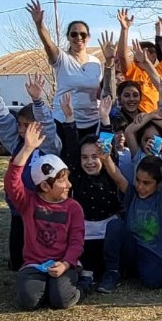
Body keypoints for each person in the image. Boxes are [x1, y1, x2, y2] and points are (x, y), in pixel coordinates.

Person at [0, 67, 61, 271]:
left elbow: (48, 124)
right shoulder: (16, 143)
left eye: (28, 125)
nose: (23, 130)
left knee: (43, 248)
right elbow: (2, 119)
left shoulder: (49, 144)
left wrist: (38, 101)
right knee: (17, 262)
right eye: (20, 126)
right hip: (19, 209)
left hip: (44, 209)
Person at [5, 122, 86, 310]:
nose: (69, 185)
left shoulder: (73, 208)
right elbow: (11, 182)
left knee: (61, 300)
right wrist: (27, 149)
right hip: (34, 265)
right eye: (62, 180)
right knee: (28, 301)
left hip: (64, 264)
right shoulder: (28, 202)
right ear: (45, 186)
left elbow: (76, 241)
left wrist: (65, 264)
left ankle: (84, 284)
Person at [97, 144, 162, 293]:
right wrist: (106, 159)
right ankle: (112, 271)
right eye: (138, 180)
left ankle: (136, 272)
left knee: (153, 283)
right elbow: (117, 177)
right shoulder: (132, 194)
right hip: (131, 247)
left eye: (146, 183)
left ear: (160, 184)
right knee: (115, 225)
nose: (140, 186)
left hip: (152, 252)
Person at [59, 94, 122, 279]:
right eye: (85, 157)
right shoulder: (77, 176)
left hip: (108, 228)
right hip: (84, 230)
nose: (90, 162)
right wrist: (69, 118)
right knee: (86, 269)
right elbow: (71, 147)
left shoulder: (109, 172)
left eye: (94, 156)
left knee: (107, 267)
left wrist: (104, 117)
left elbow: (106, 146)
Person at [27, 0, 102, 139]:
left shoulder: (96, 63)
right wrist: (39, 24)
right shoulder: (62, 58)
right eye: (74, 34)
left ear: (88, 37)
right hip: (64, 121)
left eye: (83, 34)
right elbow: (49, 45)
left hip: (92, 122)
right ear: (68, 37)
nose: (78, 37)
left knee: (89, 160)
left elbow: (99, 93)